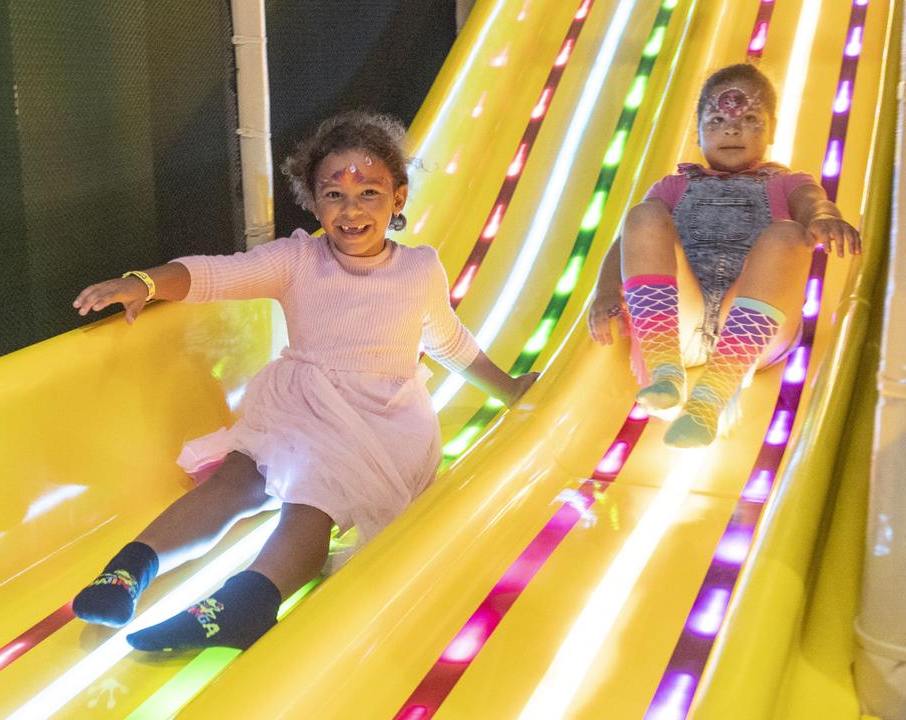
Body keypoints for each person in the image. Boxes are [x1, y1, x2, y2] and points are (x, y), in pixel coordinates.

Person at [68, 111, 537, 652]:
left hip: (380, 421)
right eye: (334, 195)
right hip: (301, 404)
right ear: (314, 203)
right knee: (236, 480)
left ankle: (247, 602)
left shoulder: (419, 271)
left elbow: (447, 340)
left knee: (315, 497)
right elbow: (216, 273)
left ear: (399, 198)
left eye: (369, 192)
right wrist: (144, 283)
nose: (351, 209)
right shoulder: (298, 261)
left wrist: (508, 388)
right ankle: (129, 571)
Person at [588, 63, 860, 447]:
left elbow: (811, 203)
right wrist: (604, 292)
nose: (732, 129)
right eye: (716, 118)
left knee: (787, 235)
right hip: (678, 321)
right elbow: (626, 244)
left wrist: (824, 218)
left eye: (749, 118)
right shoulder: (674, 185)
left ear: (771, 128)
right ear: (697, 130)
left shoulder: (787, 183)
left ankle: (709, 399)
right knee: (644, 215)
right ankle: (665, 370)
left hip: (756, 333)